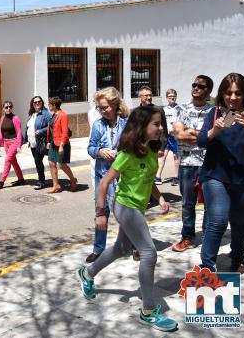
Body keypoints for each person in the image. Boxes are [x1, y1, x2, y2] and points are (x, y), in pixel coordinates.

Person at [78, 106, 178, 332]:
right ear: (142, 127)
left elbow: (148, 179)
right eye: (156, 124)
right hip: (125, 207)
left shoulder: (152, 149)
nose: (161, 128)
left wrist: (160, 197)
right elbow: (104, 183)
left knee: (121, 247)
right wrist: (99, 214)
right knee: (149, 253)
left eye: (161, 123)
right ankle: (148, 311)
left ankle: (87, 273)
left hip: (138, 208)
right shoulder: (127, 153)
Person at [197, 73, 244, 273]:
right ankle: (207, 267)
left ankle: (237, 258)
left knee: (239, 222)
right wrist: (215, 130)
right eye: (229, 93)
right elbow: (202, 141)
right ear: (222, 93)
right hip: (215, 176)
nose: (233, 97)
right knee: (218, 220)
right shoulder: (214, 113)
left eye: (238, 93)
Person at [85, 87, 129, 263]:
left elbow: (134, 146)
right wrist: (100, 151)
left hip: (123, 174)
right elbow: (90, 148)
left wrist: (119, 153)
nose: (102, 111)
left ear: (115, 105)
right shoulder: (98, 125)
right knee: (101, 210)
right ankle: (98, 248)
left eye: (104, 107)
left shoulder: (127, 123)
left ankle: (132, 244)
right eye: (99, 108)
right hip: (103, 174)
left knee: (126, 211)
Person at [171, 75, 214, 252]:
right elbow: (179, 135)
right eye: (194, 85)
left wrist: (192, 133)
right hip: (187, 163)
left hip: (210, 164)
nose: (196, 88)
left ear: (208, 91)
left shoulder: (216, 111)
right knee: (188, 204)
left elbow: (220, 136)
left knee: (210, 204)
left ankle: (209, 237)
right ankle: (188, 238)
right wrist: (205, 134)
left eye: (201, 86)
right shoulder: (180, 109)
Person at [45, 97, 77, 193]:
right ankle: (56, 185)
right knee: (51, 163)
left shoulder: (63, 115)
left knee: (62, 165)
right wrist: (48, 141)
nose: (48, 106)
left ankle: (72, 180)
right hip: (53, 143)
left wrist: (62, 145)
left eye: (50, 104)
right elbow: (51, 129)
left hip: (61, 144)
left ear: (54, 105)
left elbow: (65, 132)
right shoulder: (53, 115)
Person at [0, 100, 25, 189]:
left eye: (10, 107)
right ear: (3, 108)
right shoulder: (2, 118)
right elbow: (1, 131)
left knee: (8, 160)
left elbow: (19, 132)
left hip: (14, 142)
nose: (8, 108)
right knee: (13, 161)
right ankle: (21, 179)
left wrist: (19, 145)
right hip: (6, 143)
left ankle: (2, 181)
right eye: (6, 107)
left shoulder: (15, 118)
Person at [24, 95, 51, 190]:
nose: (37, 103)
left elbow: (51, 126)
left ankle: (41, 181)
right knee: (37, 161)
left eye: (39, 101)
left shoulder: (46, 114)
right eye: (35, 102)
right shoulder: (31, 114)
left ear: (42, 103)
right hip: (32, 143)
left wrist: (41, 131)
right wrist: (26, 139)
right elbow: (28, 127)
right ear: (32, 104)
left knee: (38, 161)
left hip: (41, 141)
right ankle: (42, 180)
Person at [155, 89, 180, 185]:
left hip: (175, 136)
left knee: (175, 156)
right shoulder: (164, 109)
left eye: (174, 96)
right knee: (162, 155)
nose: (172, 98)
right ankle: (158, 177)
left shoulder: (179, 108)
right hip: (165, 136)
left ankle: (176, 177)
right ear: (167, 98)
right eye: (170, 96)